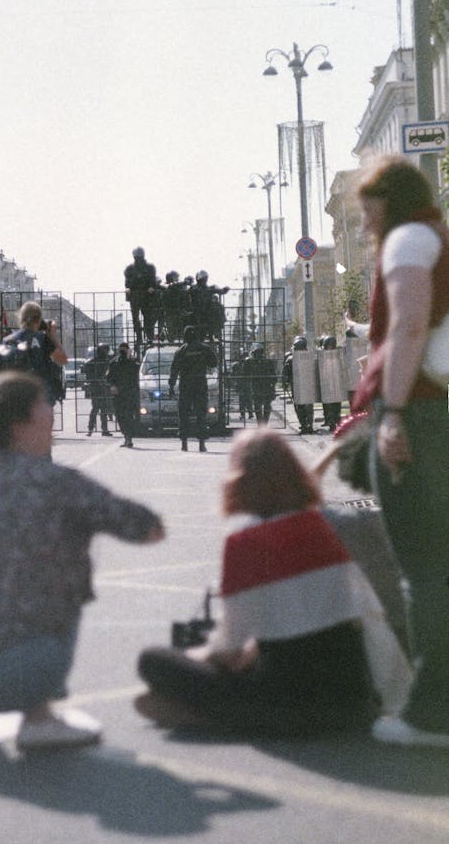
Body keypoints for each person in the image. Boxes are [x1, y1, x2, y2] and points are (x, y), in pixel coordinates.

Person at [0, 372, 165, 773]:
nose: (51, 412)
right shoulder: (57, 483)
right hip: (21, 670)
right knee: (59, 570)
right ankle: (37, 718)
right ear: (20, 422)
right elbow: (148, 528)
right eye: (44, 405)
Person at [136, 429, 411, 738]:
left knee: (153, 661)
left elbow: (228, 650)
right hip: (350, 699)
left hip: (287, 702)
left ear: (239, 479)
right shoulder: (321, 528)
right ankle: (207, 711)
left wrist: (191, 658)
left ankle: (214, 713)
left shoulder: (245, 542)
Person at [351, 155, 449, 747]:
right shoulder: (435, 235)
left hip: (419, 413)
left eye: (368, 210)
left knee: (424, 568)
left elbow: (409, 323)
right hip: (435, 410)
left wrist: (390, 414)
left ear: (390, 202)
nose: (364, 224)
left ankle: (431, 713)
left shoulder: (407, 240)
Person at [0, 301, 67, 405]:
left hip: (17, 398)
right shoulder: (42, 339)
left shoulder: (8, 341)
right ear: (39, 319)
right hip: (40, 396)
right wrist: (52, 335)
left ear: (20, 317)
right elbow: (62, 360)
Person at [168, 326, 217, 452]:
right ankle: (201, 444)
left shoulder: (181, 351)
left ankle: (184, 443)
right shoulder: (204, 349)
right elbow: (214, 363)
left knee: (184, 414)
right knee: (201, 414)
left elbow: (174, 370)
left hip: (185, 385)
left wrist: (171, 386)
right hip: (200, 384)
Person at [106, 341, 140, 448]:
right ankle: (126, 436)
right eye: (121, 349)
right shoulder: (114, 363)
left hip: (129, 394)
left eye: (125, 349)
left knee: (129, 416)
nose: (123, 351)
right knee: (120, 416)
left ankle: (128, 437)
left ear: (128, 350)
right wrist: (112, 386)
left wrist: (131, 358)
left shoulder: (133, 363)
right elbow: (108, 377)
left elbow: (137, 375)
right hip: (118, 394)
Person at [124, 247, 158, 352]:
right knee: (136, 319)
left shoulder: (149, 267)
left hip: (146, 295)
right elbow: (127, 282)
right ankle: (140, 337)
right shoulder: (130, 268)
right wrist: (129, 289)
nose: (138, 258)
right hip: (135, 295)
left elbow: (153, 280)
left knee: (148, 317)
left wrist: (151, 287)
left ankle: (149, 336)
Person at [282, 336, 315, 434]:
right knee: (305, 407)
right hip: (299, 385)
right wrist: (285, 382)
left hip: (303, 385)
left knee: (301, 407)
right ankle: (307, 425)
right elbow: (285, 373)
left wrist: (285, 382)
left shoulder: (307, 357)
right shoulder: (291, 359)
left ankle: (306, 425)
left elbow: (285, 374)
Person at [82, 343, 113, 436]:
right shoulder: (101, 362)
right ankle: (98, 429)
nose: (107, 352)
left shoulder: (95, 361)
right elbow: (86, 372)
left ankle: (95, 429)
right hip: (98, 387)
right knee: (99, 408)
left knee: (99, 408)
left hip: (98, 387)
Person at [243, 344, 277, 425]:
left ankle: (263, 424)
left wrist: (272, 385)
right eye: (257, 352)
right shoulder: (250, 362)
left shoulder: (267, 362)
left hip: (264, 386)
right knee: (259, 406)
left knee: (265, 406)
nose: (258, 354)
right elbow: (245, 374)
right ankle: (262, 424)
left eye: (259, 352)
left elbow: (273, 376)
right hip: (257, 386)